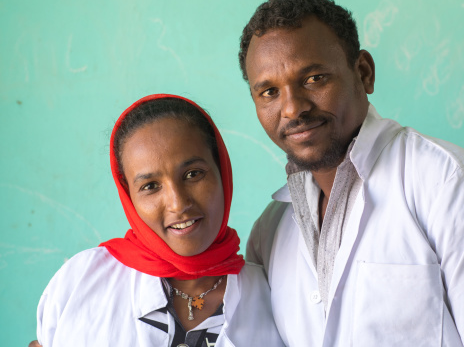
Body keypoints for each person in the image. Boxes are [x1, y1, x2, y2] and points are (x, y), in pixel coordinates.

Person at [240, 0, 464, 346]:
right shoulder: (269, 232)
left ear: (363, 72)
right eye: (269, 92)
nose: (292, 109)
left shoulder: (453, 186)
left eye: (314, 78)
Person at [33, 94, 284, 347]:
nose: (178, 203)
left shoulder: (273, 295)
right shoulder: (80, 283)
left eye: (193, 174)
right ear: (128, 194)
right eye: (151, 186)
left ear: (222, 172)